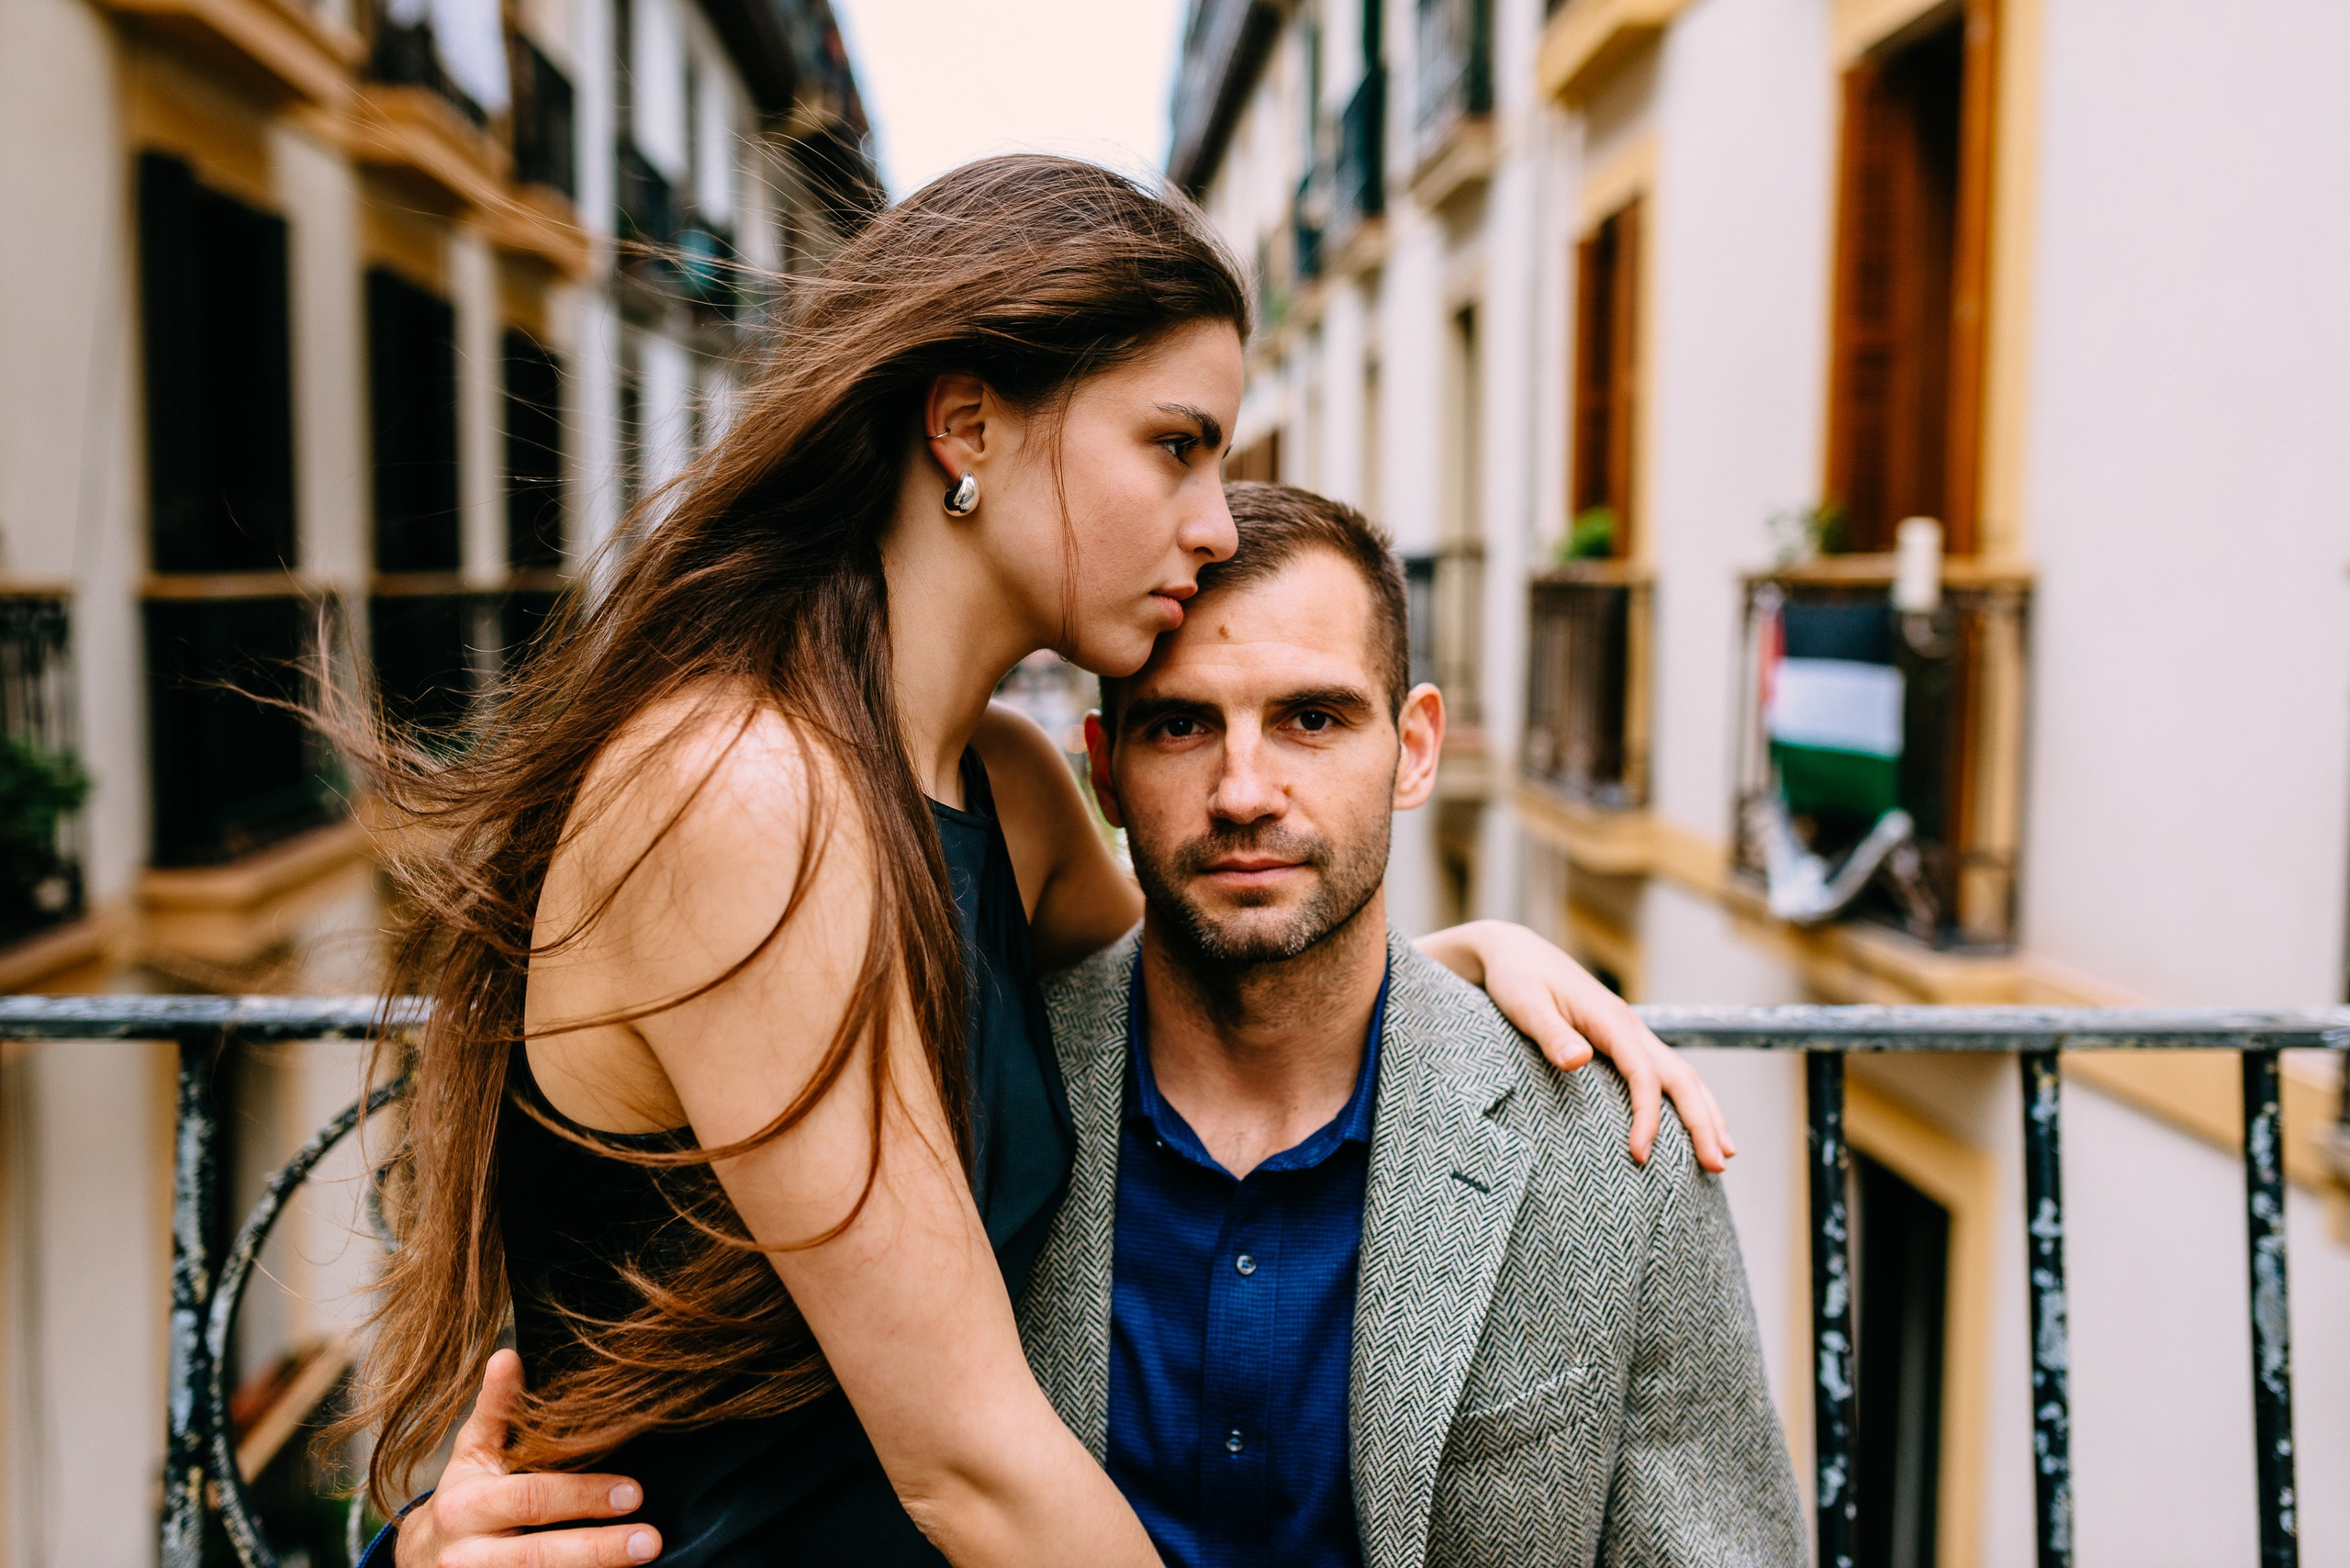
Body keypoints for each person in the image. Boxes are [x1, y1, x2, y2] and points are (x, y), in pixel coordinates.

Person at [358, 160, 1733, 1568]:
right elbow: (976, 1468)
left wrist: (1464, 961)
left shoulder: (1002, 794)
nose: (1213, 523)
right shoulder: (743, 792)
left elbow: (1220, 946)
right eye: (1176, 446)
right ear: (967, 427)